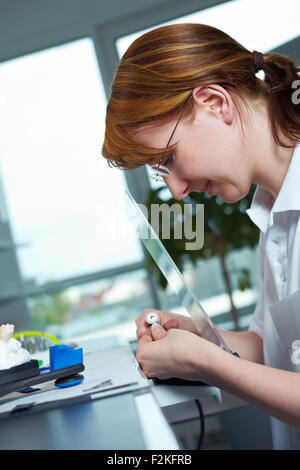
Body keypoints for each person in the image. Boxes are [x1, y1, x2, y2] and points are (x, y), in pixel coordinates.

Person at [102, 23, 300, 449]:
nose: (175, 190)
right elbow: (275, 349)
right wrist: (198, 337)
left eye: (169, 158)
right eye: (161, 170)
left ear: (214, 103)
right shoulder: (275, 213)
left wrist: (207, 363)